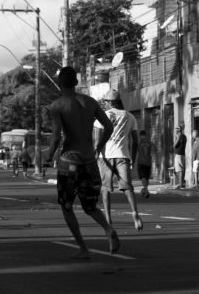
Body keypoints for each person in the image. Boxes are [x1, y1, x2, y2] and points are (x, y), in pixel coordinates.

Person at [45, 66, 119, 259]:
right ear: (76, 83)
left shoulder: (57, 106)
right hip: (89, 160)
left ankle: (83, 248)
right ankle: (108, 229)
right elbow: (109, 127)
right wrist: (99, 146)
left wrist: (49, 155)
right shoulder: (90, 102)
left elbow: (55, 138)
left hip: (69, 160)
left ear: (60, 84)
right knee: (90, 206)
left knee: (67, 206)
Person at [95, 89, 143, 231]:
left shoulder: (102, 116)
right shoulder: (130, 116)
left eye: (106, 102)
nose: (105, 104)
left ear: (110, 102)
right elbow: (135, 141)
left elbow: (97, 139)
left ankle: (108, 219)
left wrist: (96, 152)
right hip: (123, 155)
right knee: (127, 187)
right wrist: (132, 158)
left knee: (105, 188)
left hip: (106, 157)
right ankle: (135, 213)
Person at [137, 130, 152, 198]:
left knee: (142, 176)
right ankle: (145, 189)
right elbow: (154, 150)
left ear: (140, 135)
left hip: (141, 161)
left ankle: (146, 190)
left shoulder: (139, 142)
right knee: (146, 177)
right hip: (148, 162)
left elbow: (136, 149)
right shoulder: (149, 141)